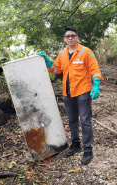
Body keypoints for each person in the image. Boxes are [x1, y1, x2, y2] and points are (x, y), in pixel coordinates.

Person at [37, 26, 104, 165]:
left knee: (85, 120)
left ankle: (88, 150)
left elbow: (95, 69)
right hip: (67, 93)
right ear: (64, 39)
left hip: (83, 91)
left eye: (73, 35)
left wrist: (96, 85)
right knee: (72, 119)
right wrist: (46, 60)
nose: (70, 38)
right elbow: (56, 69)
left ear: (77, 37)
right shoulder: (62, 54)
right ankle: (75, 144)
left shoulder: (86, 52)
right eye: (68, 36)